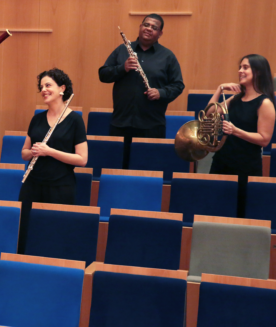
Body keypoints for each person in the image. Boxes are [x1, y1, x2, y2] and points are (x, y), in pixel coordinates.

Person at [99, 14, 184, 169]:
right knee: (116, 170)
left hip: (151, 126)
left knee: (147, 171)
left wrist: (161, 93)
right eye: (146, 25)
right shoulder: (122, 50)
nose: (149, 29)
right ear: (140, 27)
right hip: (121, 123)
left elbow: (178, 85)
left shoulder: (167, 56)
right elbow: (103, 74)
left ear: (160, 33)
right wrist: (122, 68)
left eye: (154, 27)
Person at [18, 68, 88, 253]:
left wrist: (49, 151)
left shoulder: (75, 120)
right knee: (27, 233)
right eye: (41, 87)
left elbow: (82, 159)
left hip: (60, 187)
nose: (43, 90)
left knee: (55, 235)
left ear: (62, 88)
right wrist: (33, 152)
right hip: (32, 186)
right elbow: (24, 153)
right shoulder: (37, 119)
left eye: (48, 85)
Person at [208, 54, 276, 217]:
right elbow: (209, 114)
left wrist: (235, 131)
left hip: (245, 167)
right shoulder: (236, 98)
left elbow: (264, 139)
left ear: (258, 72)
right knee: (216, 211)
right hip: (221, 162)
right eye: (240, 67)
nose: (240, 71)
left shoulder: (264, 103)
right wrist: (220, 89)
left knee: (239, 213)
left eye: (245, 67)